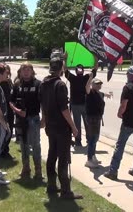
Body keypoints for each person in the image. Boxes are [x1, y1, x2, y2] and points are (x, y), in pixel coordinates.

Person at [40, 57, 82, 199]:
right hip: (61, 127)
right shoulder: (60, 85)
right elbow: (64, 109)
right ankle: (66, 191)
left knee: (52, 156)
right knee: (63, 159)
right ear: (60, 69)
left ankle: (51, 186)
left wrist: (44, 120)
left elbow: (43, 106)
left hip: (50, 126)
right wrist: (74, 127)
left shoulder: (43, 83)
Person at [104, 66, 133, 180]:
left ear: (130, 75)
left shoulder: (128, 87)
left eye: (127, 74)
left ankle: (113, 171)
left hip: (129, 121)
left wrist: (120, 113)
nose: (127, 76)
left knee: (120, 146)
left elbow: (124, 104)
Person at [10, 62, 43, 179]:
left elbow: (43, 102)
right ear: (20, 71)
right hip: (20, 120)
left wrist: (44, 119)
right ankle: (26, 168)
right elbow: (11, 101)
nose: (26, 71)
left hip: (33, 118)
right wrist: (17, 110)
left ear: (32, 71)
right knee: (23, 145)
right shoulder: (17, 85)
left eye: (28, 69)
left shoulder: (38, 84)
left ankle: (38, 170)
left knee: (35, 145)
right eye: (24, 69)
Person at [64, 60, 97, 146]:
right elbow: (95, 69)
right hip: (84, 105)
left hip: (76, 105)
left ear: (76, 71)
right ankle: (89, 140)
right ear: (82, 70)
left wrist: (65, 59)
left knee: (77, 124)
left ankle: (78, 141)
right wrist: (96, 58)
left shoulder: (72, 78)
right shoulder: (86, 77)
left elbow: (65, 69)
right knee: (87, 123)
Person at [84, 77, 111, 169]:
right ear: (92, 85)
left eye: (100, 84)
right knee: (92, 139)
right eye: (96, 84)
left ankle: (92, 155)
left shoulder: (98, 93)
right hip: (92, 118)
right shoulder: (90, 93)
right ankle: (89, 160)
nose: (99, 85)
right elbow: (87, 88)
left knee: (95, 138)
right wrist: (90, 78)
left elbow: (101, 94)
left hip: (97, 118)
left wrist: (107, 95)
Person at [0, 64, 15, 159]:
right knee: (5, 132)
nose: (8, 74)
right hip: (3, 111)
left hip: (10, 110)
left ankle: (5, 150)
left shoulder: (9, 82)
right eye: (6, 72)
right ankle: (2, 151)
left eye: (8, 72)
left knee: (9, 131)